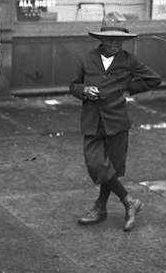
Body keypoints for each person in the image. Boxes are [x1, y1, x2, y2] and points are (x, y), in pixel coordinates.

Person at [69, 12, 161, 232]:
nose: (114, 42)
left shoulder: (129, 60)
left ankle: (100, 207)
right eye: (110, 38)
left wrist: (127, 89)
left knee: (112, 167)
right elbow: (72, 86)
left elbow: (154, 79)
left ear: (124, 40)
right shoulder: (86, 58)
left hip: (117, 121)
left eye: (119, 39)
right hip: (92, 120)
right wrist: (84, 90)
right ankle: (130, 201)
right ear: (101, 38)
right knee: (96, 164)